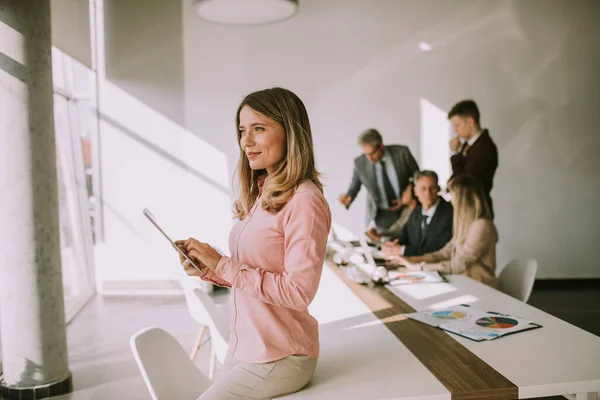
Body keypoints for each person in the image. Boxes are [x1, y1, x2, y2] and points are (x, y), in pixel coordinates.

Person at [175, 87, 332, 400]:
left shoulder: (305, 201)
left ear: (290, 132)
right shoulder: (263, 191)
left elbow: (299, 292)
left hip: (283, 355)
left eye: (258, 129)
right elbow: (254, 272)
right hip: (247, 345)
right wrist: (210, 269)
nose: (245, 142)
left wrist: (223, 265)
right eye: (242, 131)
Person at [389, 175, 498, 287]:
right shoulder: (466, 225)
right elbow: (444, 253)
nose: (451, 201)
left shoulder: (481, 226)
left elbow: (458, 265)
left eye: (452, 196)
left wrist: (421, 267)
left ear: (462, 200)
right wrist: (411, 260)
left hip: (480, 287)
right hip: (463, 283)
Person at [339, 129, 419, 232]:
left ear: (381, 146)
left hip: (408, 209)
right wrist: (348, 197)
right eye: (366, 154)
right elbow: (355, 185)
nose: (369, 158)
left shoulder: (402, 153)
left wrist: (410, 189)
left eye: (372, 153)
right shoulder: (360, 162)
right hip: (381, 215)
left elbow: (418, 176)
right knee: (385, 244)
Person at [381, 170, 453, 257]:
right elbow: (402, 235)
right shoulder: (416, 212)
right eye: (423, 189)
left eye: (432, 188)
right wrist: (391, 244)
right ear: (415, 191)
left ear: (438, 188)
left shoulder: (449, 213)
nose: (428, 193)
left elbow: (437, 251)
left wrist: (403, 250)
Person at [447, 100, 498, 216]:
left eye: (457, 125)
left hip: (476, 209)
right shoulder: (468, 144)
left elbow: (464, 181)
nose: (456, 131)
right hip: (468, 208)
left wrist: (454, 153)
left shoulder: (484, 147)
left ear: (470, 121)